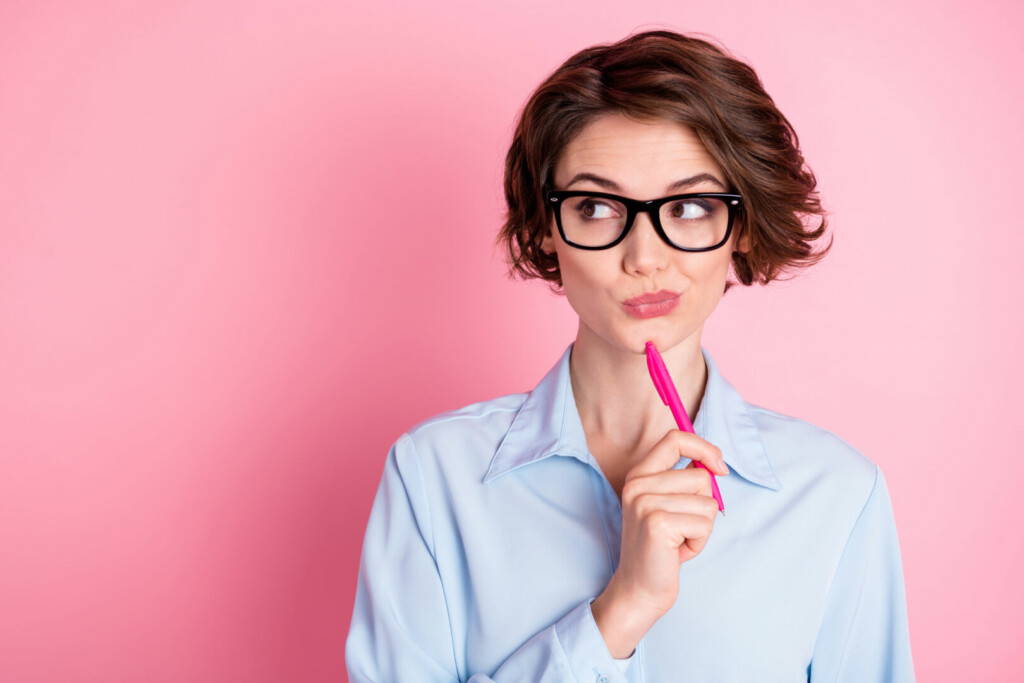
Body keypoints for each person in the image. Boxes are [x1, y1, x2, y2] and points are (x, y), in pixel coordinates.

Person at [345, 29, 915, 682]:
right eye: (594, 206)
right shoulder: (433, 478)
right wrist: (623, 607)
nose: (645, 257)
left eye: (693, 205)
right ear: (543, 230)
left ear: (744, 225)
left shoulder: (836, 496)